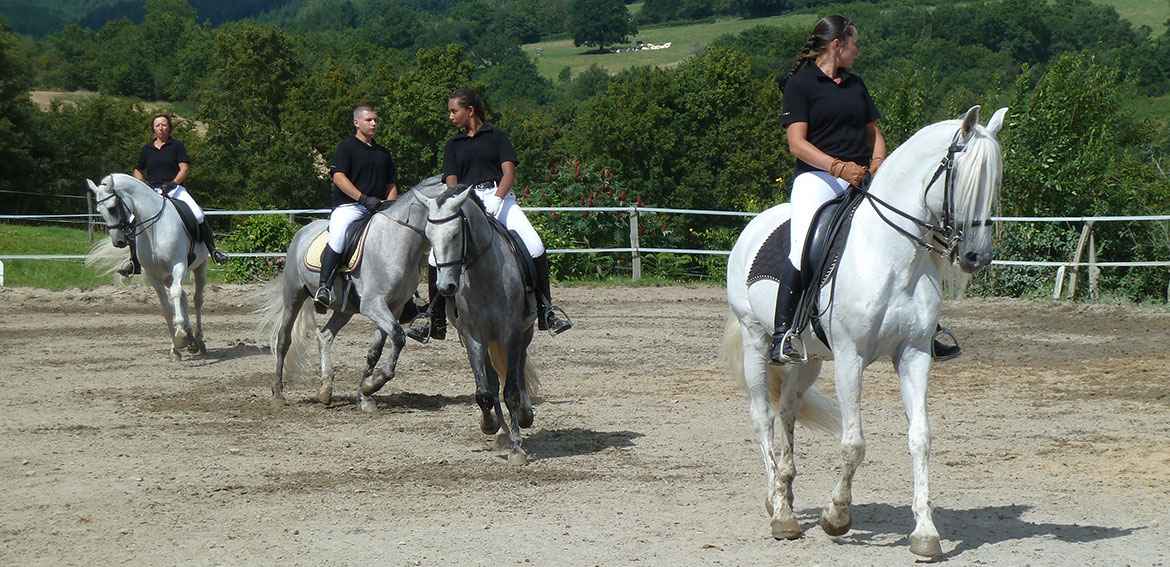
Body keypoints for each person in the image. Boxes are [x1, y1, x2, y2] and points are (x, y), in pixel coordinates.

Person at [773, 15, 960, 364]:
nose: (857, 50)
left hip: (860, 175)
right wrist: (836, 167)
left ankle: (926, 325)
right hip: (817, 178)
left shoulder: (855, 84)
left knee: (908, 232)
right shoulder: (800, 84)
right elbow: (797, 144)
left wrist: (877, 162)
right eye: (854, 43)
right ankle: (785, 331)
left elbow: (873, 132)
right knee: (802, 246)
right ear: (836, 45)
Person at [410, 88, 572, 340]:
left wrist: (497, 199)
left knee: (535, 245)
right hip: (465, 203)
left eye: (454, 111)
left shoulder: (497, 137)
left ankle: (546, 310)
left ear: (470, 110)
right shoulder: (453, 144)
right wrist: (457, 201)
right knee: (434, 258)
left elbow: (509, 173)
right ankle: (434, 317)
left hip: (499, 198)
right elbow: (451, 181)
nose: (450, 116)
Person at [119, 113, 228, 276]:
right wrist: (143, 184)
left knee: (198, 214)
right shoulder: (146, 149)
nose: (161, 128)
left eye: (164, 124)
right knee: (132, 220)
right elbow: (137, 169)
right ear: (153, 129)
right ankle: (134, 261)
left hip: (175, 189)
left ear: (169, 128)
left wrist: (174, 183)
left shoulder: (177, 146)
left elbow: (184, 169)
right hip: (153, 192)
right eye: (157, 125)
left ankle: (213, 251)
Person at [315, 104, 399, 308]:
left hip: (378, 209)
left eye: (375, 120)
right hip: (350, 207)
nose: (374, 123)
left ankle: (408, 295)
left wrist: (391, 206)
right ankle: (324, 286)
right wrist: (362, 198)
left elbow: (391, 185)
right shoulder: (346, 147)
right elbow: (338, 177)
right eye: (369, 119)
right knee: (339, 235)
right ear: (356, 122)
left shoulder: (383, 153)